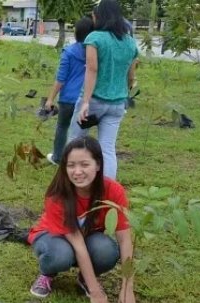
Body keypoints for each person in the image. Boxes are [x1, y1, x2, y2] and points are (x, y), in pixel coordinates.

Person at [28, 137, 138, 303]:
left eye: (84, 164)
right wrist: (96, 294)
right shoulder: (58, 194)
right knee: (61, 255)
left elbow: (125, 240)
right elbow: (78, 245)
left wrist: (128, 288)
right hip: (51, 236)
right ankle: (47, 273)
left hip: (86, 236)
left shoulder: (113, 191)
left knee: (107, 250)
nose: (77, 172)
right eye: (71, 165)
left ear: (97, 165)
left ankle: (85, 278)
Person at [67, 0, 139, 179]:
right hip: (117, 104)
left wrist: (85, 102)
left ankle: (70, 182)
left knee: (75, 142)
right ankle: (107, 191)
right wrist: (127, 89)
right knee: (107, 149)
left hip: (94, 100)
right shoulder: (130, 42)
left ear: (100, 16)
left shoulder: (95, 38)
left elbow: (92, 69)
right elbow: (131, 75)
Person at [43, 17, 94, 166]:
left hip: (67, 99)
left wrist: (50, 99)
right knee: (81, 132)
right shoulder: (94, 52)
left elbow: (61, 78)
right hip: (85, 99)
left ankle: (58, 157)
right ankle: (79, 160)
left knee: (62, 127)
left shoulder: (69, 52)